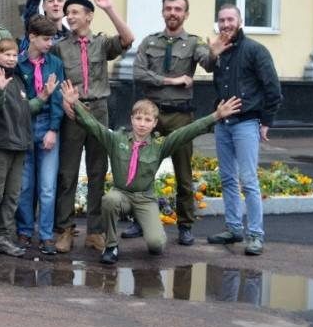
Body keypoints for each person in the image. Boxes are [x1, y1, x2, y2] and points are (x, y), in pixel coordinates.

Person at [60, 81, 242, 264]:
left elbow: (188, 132)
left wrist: (216, 115)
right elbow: (93, 125)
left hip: (145, 199)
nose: (142, 124)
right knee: (109, 200)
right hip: (121, 195)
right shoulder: (116, 139)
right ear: (131, 119)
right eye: (138, 118)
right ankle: (111, 246)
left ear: (155, 123)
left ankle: (144, 221)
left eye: (147, 120)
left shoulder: (159, 145)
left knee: (156, 245)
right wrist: (75, 104)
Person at [132, 0, 226, 245]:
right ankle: (139, 220)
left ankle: (185, 225)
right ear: (163, 12)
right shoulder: (150, 41)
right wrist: (172, 80)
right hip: (150, 116)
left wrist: (214, 53)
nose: (172, 13)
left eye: (178, 9)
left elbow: (208, 64)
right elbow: (138, 73)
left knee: (183, 173)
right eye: (168, 8)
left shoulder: (194, 43)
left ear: (186, 14)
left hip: (180, 116)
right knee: (142, 170)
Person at [50, 0, 134, 253]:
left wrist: (109, 8)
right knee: (67, 173)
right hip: (73, 111)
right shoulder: (60, 47)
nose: (69, 16)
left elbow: (128, 38)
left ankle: (95, 231)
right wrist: (63, 101)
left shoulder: (101, 43)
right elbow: (53, 80)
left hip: (98, 110)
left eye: (75, 12)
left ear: (89, 16)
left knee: (97, 171)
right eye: (68, 13)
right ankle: (65, 230)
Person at [206, 4, 283, 256]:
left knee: (248, 181)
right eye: (221, 20)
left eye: (230, 19)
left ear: (240, 21)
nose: (226, 24)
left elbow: (273, 89)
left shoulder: (255, 50)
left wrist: (266, 121)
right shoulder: (219, 50)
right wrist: (213, 54)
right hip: (223, 124)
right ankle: (234, 228)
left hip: (246, 123)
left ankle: (256, 235)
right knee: (227, 178)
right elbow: (213, 75)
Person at [0, 38, 56, 257]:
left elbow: (25, 109)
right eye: (6, 54)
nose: (11, 59)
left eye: (13, 55)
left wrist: (44, 96)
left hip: (20, 145)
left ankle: (3, 236)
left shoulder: (18, 79)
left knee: (12, 195)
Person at [15, 15, 65, 255]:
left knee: (47, 186)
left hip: (46, 125)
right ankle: (24, 230)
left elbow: (57, 98)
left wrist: (53, 129)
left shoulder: (54, 63)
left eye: (52, 39)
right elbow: (19, 101)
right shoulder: (18, 64)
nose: (50, 43)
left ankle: (46, 235)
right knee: (25, 185)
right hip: (24, 126)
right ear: (32, 37)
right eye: (46, 39)